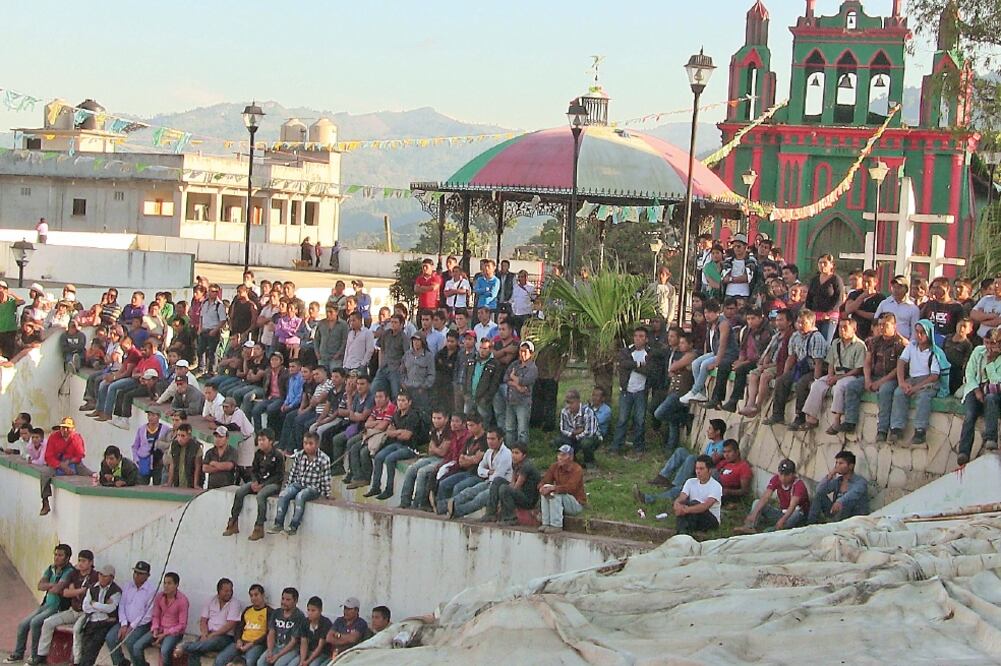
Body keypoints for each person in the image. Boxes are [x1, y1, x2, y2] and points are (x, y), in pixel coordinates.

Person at [7, 544, 75, 664]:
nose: (56, 557)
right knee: (23, 624)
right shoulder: (51, 568)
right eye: (55, 554)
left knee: (35, 622)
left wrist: (49, 585)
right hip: (45, 604)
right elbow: (40, 586)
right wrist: (52, 585)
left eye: (60, 555)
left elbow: (57, 589)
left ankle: (35, 656)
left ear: (67, 557)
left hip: (57, 607)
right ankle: (18, 653)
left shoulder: (69, 571)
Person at [763, 309, 828, 428]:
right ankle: (777, 414)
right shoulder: (795, 336)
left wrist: (816, 380)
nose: (800, 325)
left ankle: (800, 416)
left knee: (802, 384)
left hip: (814, 368)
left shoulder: (817, 338)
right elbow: (791, 357)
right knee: (781, 381)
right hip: (800, 367)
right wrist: (785, 374)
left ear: (811, 323)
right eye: (798, 322)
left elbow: (818, 362)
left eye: (804, 323)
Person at [638, 419, 727, 504]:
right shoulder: (710, 444)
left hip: (706, 470)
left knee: (691, 458)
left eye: (710, 428)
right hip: (701, 465)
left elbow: (712, 461)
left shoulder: (724, 444)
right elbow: (704, 457)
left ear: (718, 432)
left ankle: (675, 485)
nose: (707, 431)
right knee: (681, 451)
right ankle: (662, 477)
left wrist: (711, 457)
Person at [801, 318, 866, 432]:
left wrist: (838, 378)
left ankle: (837, 420)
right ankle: (812, 418)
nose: (842, 330)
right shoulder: (836, 343)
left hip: (850, 375)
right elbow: (831, 362)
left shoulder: (859, 345)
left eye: (845, 327)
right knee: (817, 385)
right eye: (840, 327)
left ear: (854, 329)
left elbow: (858, 369)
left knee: (839, 387)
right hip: (836, 373)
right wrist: (830, 376)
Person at [37, 549, 98, 666]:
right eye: (79, 560)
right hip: (73, 610)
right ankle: (42, 655)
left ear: (90, 562)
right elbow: (65, 593)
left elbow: (89, 595)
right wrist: (80, 591)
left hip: (86, 613)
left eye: (84, 561)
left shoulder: (95, 576)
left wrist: (73, 590)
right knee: (48, 622)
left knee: (77, 630)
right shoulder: (74, 574)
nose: (80, 563)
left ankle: (77, 661)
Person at [890, 319, 947, 445]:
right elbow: (901, 362)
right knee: (899, 393)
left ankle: (920, 430)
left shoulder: (934, 352)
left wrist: (916, 388)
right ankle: (897, 428)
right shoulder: (911, 346)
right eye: (917, 332)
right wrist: (902, 382)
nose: (919, 335)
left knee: (923, 397)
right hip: (912, 379)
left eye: (923, 333)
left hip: (927, 381)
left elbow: (934, 376)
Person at [226, 429, 285, 540]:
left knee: (261, 496)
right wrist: (254, 481)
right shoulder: (258, 454)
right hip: (259, 482)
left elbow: (279, 475)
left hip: (273, 484)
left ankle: (259, 526)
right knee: (240, 492)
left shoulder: (278, 455)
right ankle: (233, 521)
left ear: (271, 441)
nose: (260, 442)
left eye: (263, 440)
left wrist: (263, 485)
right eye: (259, 440)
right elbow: (253, 470)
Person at [269, 433, 331, 536]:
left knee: (300, 496)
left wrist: (326, 494)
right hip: (299, 484)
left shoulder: (324, 459)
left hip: (313, 488)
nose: (307, 446)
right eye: (305, 443)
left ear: (317, 444)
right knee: (284, 495)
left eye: (310, 443)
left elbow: (326, 478)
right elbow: (293, 473)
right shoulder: (299, 455)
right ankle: (278, 523)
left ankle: (294, 525)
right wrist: (287, 487)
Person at [365, 390, 421, 500]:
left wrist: (395, 432)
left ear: (409, 402)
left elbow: (407, 436)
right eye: (399, 400)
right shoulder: (396, 415)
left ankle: (389, 489)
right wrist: (399, 432)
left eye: (403, 400)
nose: (400, 403)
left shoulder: (413, 416)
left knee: (389, 459)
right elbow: (389, 432)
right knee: (378, 457)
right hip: (396, 444)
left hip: (409, 448)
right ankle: (376, 487)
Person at [174, 578, 242, 666]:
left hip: (225, 636)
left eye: (230, 590)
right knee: (194, 652)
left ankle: (185, 646)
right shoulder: (211, 600)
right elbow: (203, 620)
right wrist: (204, 634)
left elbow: (230, 624)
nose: (229, 593)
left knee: (211, 643)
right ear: (219, 591)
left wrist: (212, 635)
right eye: (226, 591)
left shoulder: (235, 603)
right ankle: (189, 648)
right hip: (209, 633)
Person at [448, 428, 512, 519]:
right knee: (469, 491)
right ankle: (448, 506)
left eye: (493, 439)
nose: (490, 442)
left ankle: (456, 511)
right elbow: (480, 469)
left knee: (479, 498)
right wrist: (488, 472)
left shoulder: (506, 454)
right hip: (488, 481)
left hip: (499, 485)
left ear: (500, 439)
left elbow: (498, 476)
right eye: (488, 439)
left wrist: (487, 473)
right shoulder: (489, 452)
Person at [958, 329, 1001, 465]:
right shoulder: (978, 351)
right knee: (970, 415)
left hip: (994, 391)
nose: (988, 347)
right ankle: (963, 452)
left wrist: (991, 362)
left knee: (990, 399)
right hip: (975, 388)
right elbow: (969, 373)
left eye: (992, 344)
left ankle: (991, 439)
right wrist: (977, 391)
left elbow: (996, 381)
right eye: (986, 343)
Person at [736, 458, 810, 534]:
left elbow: (792, 506)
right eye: (781, 474)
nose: (783, 478)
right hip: (782, 512)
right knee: (757, 502)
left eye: (787, 475)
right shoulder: (776, 479)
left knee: (796, 515)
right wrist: (754, 514)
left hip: (795, 514)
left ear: (793, 474)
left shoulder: (798, 485)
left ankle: (772, 531)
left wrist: (783, 520)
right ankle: (749, 526)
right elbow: (765, 497)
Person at [132, 572, 189, 666]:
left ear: (176, 585)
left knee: (164, 651)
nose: (166, 586)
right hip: (159, 629)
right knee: (137, 647)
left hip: (174, 632)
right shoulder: (159, 596)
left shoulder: (182, 601)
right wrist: (155, 628)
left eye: (169, 583)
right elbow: (155, 616)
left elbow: (182, 625)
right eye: (164, 583)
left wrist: (165, 633)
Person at [106, 561, 156, 666]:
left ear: (147, 576)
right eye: (135, 572)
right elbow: (122, 605)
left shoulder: (151, 591)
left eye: (140, 573)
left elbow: (147, 615)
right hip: (125, 621)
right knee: (110, 638)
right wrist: (124, 624)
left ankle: (139, 664)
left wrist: (132, 626)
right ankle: (120, 663)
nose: (136, 575)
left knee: (130, 641)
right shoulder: (128, 586)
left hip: (141, 624)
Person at [482, 441, 541, 525]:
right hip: (519, 493)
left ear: (524, 455)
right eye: (512, 452)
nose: (513, 455)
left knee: (504, 488)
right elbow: (512, 481)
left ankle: (511, 518)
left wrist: (506, 490)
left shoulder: (526, 466)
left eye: (517, 453)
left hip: (528, 499)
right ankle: (491, 513)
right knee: (497, 481)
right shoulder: (515, 464)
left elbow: (517, 486)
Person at [612, 326, 650, 454]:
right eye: (636, 336)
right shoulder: (626, 351)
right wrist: (638, 364)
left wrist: (632, 366)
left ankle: (639, 447)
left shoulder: (649, 353)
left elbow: (650, 370)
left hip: (641, 391)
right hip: (626, 390)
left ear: (646, 339)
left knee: (640, 420)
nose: (638, 339)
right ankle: (616, 446)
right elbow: (623, 364)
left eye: (641, 336)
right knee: (622, 419)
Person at [39, 417, 88, 516]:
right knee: (45, 474)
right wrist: (61, 465)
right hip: (56, 463)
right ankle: (45, 501)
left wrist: (69, 462)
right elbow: (48, 456)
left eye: (67, 428)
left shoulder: (76, 438)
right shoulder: (53, 437)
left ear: (73, 429)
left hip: (72, 462)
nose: (65, 430)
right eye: (63, 427)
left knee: (88, 473)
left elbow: (80, 455)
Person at [808, 450, 869, 524]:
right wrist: (830, 475)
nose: (837, 466)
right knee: (819, 496)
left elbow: (853, 494)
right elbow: (819, 490)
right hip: (836, 512)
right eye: (836, 463)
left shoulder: (860, 482)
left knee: (846, 503)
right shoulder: (838, 481)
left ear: (850, 466)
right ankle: (810, 524)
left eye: (840, 463)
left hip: (852, 515)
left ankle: (833, 524)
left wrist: (840, 501)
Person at [216, 584, 270, 666]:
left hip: (257, 644)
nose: (253, 598)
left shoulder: (270, 612)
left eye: (256, 595)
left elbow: (269, 634)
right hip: (242, 642)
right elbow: (238, 628)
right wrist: (238, 640)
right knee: (220, 659)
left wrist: (251, 644)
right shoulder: (248, 610)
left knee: (248, 662)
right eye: (251, 596)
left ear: (263, 595)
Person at [78, 565, 122, 666]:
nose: (101, 577)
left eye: (105, 576)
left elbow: (110, 608)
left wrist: (93, 603)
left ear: (111, 578)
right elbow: (85, 607)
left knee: (92, 648)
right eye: (100, 574)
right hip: (91, 621)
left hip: (105, 623)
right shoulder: (92, 587)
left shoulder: (116, 591)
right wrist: (102, 606)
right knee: (85, 647)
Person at [537, 445, 585, 533]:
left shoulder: (577, 469)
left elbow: (570, 488)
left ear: (571, 457)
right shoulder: (554, 466)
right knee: (546, 489)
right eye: (559, 455)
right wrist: (541, 488)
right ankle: (545, 523)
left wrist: (553, 488)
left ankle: (556, 525)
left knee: (555, 493)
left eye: (563, 455)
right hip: (561, 499)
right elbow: (544, 481)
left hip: (575, 503)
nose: (560, 457)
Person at [672, 455, 722, 536]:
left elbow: (706, 506)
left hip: (710, 519)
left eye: (701, 469)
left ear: (709, 470)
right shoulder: (690, 482)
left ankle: (683, 533)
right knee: (684, 504)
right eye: (696, 468)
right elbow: (682, 497)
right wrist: (677, 505)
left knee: (694, 503)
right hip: (693, 514)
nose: (698, 471)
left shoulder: (716, 486)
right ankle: (682, 533)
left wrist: (686, 510)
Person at [257, 588, 305, 666]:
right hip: (275, 646)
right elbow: (271, 633)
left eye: (288, 600)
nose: (284, 602)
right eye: (283, 599)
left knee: (278, 664)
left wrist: (277, 656)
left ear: (295, 601)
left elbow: (293, 641)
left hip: (291, 649)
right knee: (261, 662)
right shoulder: (276, 612)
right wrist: (270, 651)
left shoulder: (299, 616)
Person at [804, 254, 845, 344]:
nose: (822, 265)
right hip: (815, 315)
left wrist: (828, 313)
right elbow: (809, 297)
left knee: (825, 342)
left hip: (830, 317)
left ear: (831, 265)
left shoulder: (836, 279)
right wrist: (808, 313)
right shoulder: (815, 280)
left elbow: (839, 298)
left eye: (825, 263)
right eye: (820, 263)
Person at [503, 341, 538, 446]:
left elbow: (524, 381)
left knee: (522, 430)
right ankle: (509, 450)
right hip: (510, 400)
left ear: (531, 353)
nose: (522, 354)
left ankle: (522, 451)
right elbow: (506, 378)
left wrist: (513, 377)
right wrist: (517, 385)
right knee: (509, 428)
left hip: (523, 402)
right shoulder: (515, 364)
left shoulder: (532, 368)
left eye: (525, 351)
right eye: (521, 351)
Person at [554, 389, 600, 465]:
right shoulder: (564, 411)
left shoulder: (588, 411)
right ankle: (572, 461)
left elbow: (589, 432)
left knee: (586, 443)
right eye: (567, 403)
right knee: (558, 440)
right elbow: (563, 429)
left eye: (571, 403)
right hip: (572, 436)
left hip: (589, 437)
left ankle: (589, 462)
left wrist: (576, 435)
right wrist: (575, 432)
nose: (569, 406)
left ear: (578, 402)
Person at [875, 275, 921, 340]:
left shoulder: (913, 308)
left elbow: (914, 330)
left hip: (903, 342)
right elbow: (875, 322)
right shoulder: (884, 304)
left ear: (906, 289)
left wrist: (910, 344)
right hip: (884, 341)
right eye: (894, 287)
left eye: (899, 287)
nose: (896, 290)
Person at [165, 424, 202, 488]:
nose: (180, 439)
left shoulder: (196, 447)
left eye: (183, 436)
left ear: (189, 436)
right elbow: (172, 464)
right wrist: (169, 483)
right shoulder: (173, 445)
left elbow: (197, 467)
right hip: (177, 481)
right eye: (178, 435)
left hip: (190, 482)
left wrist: (195, 484)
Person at [297, 597, 332, 666]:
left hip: (322, 653)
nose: (310, 613)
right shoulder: (305, 622)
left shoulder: (326, 623)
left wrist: (307, 662)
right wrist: (302, 661)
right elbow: (304, 642)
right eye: (308, 610)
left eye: (313, 610)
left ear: (320, 611)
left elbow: (320, 646)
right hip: (308, 651)